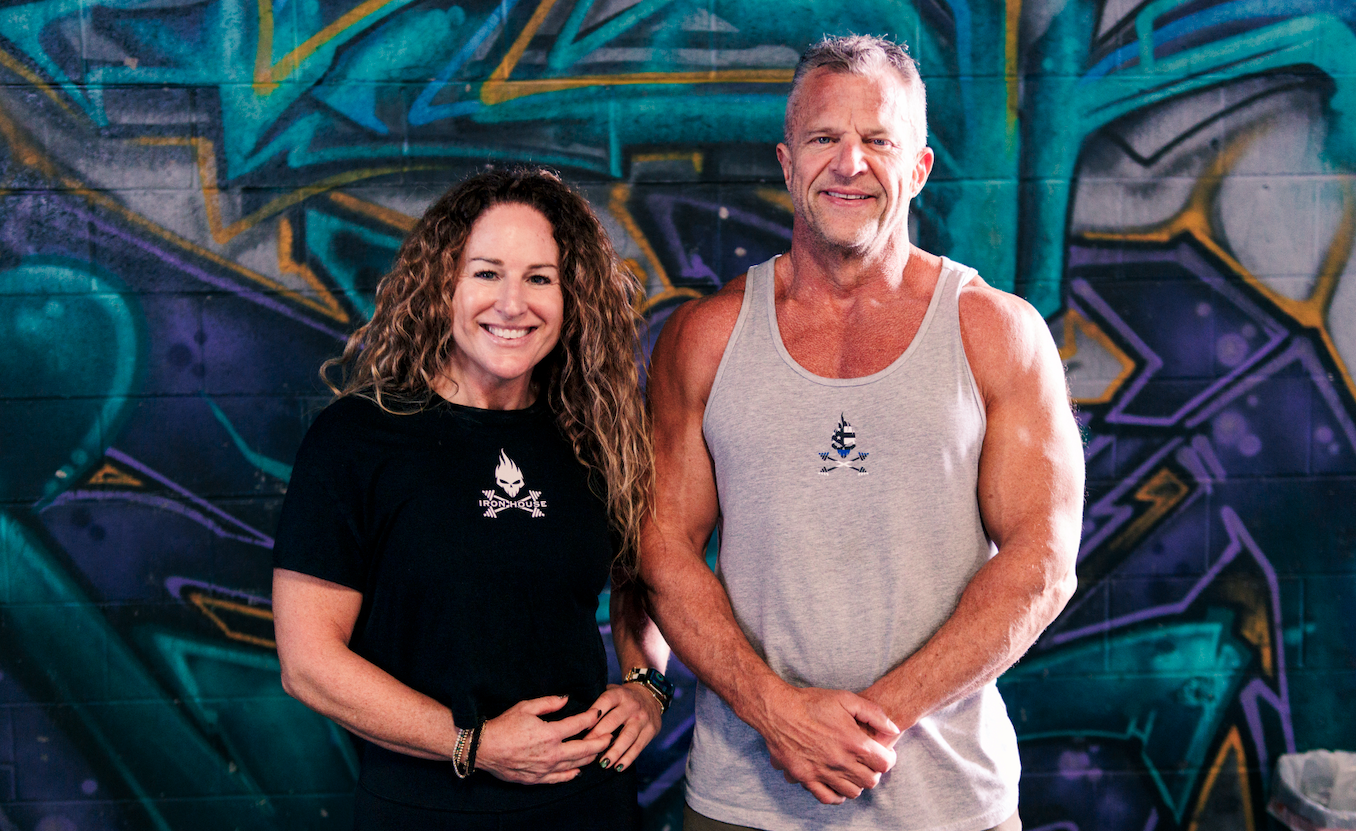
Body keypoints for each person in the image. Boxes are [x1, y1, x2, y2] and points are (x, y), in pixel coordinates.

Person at [639, 35, 1086, 831]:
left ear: (919, 168)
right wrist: (776, 711)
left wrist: (873, 721)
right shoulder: (705, 338)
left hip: (949, 806)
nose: (849, 163)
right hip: (744, 802)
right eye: (824, 138)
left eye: (878, 140)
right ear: (787, 164)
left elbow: (1042, 564)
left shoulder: (998, 334)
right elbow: (665, 551)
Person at [271, 167, 672, 830]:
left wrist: (646, 684)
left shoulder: (595, 432)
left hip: (589, 806)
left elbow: (641, 581)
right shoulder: (357, 439)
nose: (512, 304)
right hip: (427, 811)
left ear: (571, 296)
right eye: (486, 273)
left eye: (540, 278)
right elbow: (309, 663)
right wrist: (474, 744)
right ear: (443, 286)